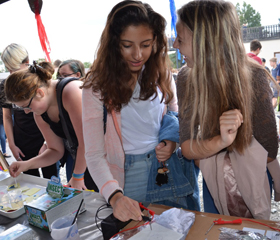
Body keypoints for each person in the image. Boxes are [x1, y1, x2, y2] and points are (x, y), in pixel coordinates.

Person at [81, 0, 193, 222]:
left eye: (146, 44)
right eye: (127, 45)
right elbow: (93, 154)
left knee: (174, 231)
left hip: (165, 168)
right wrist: (114, 196)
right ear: (114, 43)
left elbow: (174, 116)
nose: (138, 54)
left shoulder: (161, 73)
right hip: (125, 177)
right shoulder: (96, 85)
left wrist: (172, 141)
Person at [174, 0, 280, 220]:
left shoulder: (255, 76)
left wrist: (208, 152)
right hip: (213, 181)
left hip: (252, 179)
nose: (175, 44)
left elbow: (270, 149)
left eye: (181, 39)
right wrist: (221, 143)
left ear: (206, 42)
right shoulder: (185, 77)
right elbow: (187, 147)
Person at [6, 61, 97, 191]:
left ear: (40, 93)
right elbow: (55, 150)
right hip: (84, 157)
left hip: (111, 156)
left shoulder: (70, 92)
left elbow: (88, 142)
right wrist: (26, 165)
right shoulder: (39, 113)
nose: (26, 111)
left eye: (27, 106)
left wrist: (77, 176)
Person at [0, 43, 57, 179]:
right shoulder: (5, 85)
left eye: (14, 68)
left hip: (45, 137)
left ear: (26, 62)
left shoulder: (37, 80)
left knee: (52, 178)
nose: (12, 73)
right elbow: (7, 117)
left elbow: (51, 113)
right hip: (22, 139)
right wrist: (12, 144)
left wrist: (46, 142)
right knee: (30, 179)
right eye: (9, 69)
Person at [56, 59, 86, 182]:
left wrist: (78, 176)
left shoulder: (76, 93)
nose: (60, 79)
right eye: (59, 76)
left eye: (65, 75)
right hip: (71, 150)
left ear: (78, 75)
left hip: (85, 151)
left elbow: (85, 140)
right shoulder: (61, 94)